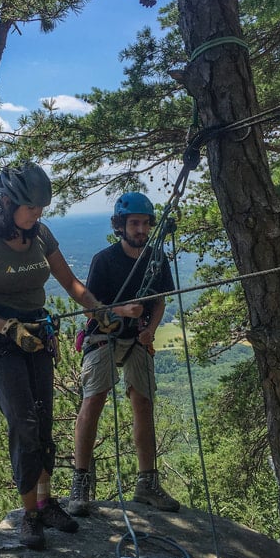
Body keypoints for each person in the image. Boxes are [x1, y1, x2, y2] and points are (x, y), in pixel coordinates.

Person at [0, 162, 117, 550]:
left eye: (41, 209)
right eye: (31, 208)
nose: (38, 215)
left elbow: (70, 283)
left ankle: (47, 503)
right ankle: (29, 514)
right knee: (24, 424)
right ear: (7, 202)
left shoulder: (42, 235)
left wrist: (97, 308)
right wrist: (9, 328)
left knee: (44, 422)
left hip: (39, 332)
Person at [69, 191, 181, 516]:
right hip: (102, 336)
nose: (141, 230)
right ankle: (80, 481)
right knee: (95, 398)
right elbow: (92, 310)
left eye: (145, 224)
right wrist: (121, 310)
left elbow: (159, 301)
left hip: (137, 338)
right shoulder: (104, 261)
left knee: (143, 403)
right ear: (121, 225)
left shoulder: (156, 259)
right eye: (134, 223)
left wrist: (151, 329)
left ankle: (147, 483)